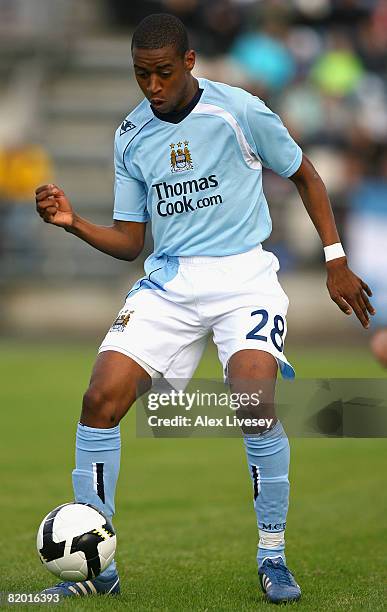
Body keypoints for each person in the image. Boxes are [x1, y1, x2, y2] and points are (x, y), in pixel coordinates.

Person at [35, 13, 374, 604]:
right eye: (142, 75)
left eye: (163, 73)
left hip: (244, 277)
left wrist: (335, 258)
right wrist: (73, 223)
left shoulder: (239, 110)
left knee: (253, 400)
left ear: (189, 63)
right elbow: (130, 242)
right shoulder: (131, 135)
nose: (152, 86)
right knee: (99, 400)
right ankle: (94, 558)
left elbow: (305, 175)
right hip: (170, 283)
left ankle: (273, 555)